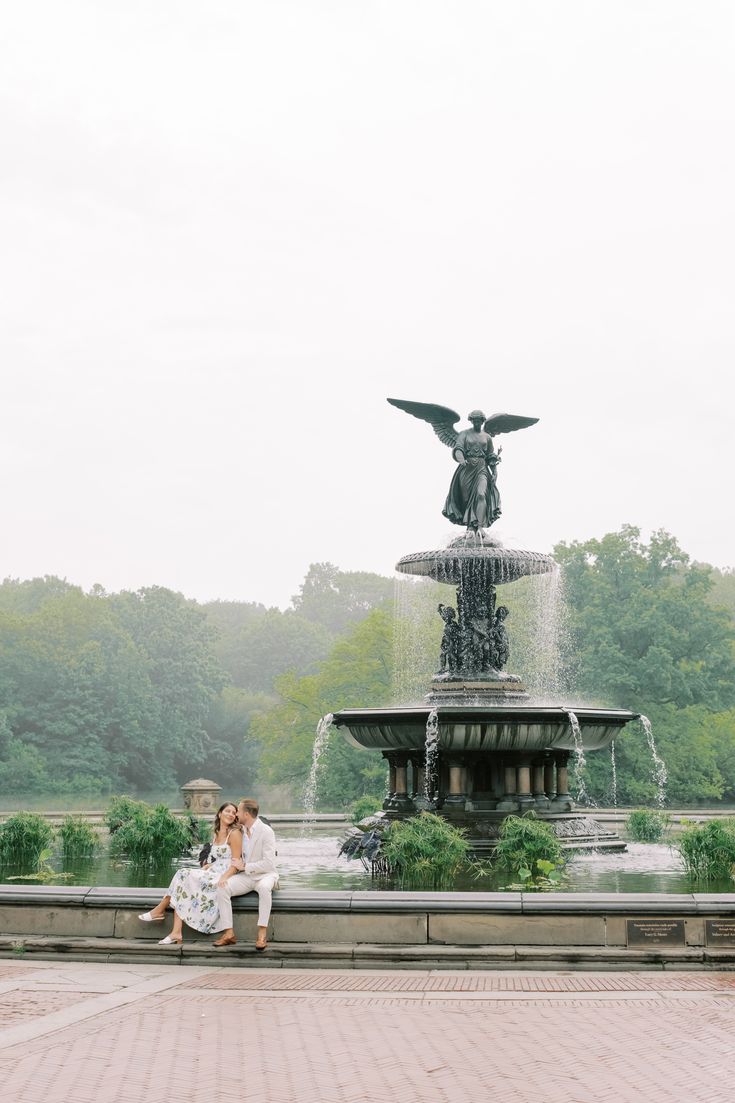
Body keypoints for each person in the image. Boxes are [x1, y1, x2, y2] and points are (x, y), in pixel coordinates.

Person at [137, 801, 243, 945]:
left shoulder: (234, 833)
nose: (230, 814)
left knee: (183, 874)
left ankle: (160, 911)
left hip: (224, 876)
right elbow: (221, 858)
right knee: (183, 879)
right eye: (227, 811)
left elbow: (236, 863)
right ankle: (175, 931)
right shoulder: (217, 832)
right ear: (219, 813)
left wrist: (224, 877)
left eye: (233, 812)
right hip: (214, 871)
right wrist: (210, 865)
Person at [212, 797, 278, 951]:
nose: (236, 815)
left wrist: (245, 866)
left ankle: (262, 934)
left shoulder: (266, 831)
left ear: (246, 814)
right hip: (246, 876)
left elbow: (269, 863)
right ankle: (229, 933)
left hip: (266, 875)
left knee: (263, 888)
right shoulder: (239, 831)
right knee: (223, 887)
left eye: (238, 811)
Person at [442, 409, 501, 531]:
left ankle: (479, 526)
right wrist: (461, 459)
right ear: (471, 421)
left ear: (482, 421)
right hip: (466, 468)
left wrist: (494, 471)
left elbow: (490, 456)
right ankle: (470, 526)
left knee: (481, 494)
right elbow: (458, 448)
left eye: (479, 421)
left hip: (481, 468)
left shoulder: (487, 437)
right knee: (467, 499)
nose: (477, 423)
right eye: (474, 421)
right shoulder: (464, 434)